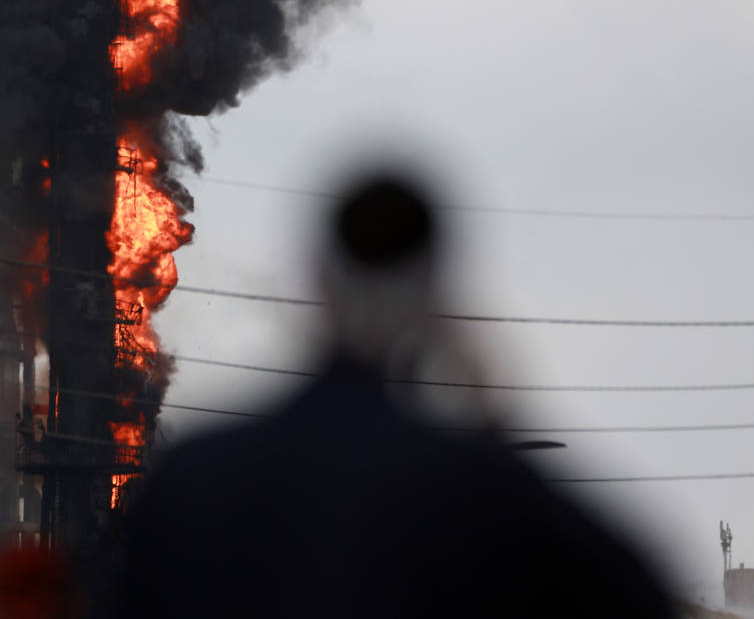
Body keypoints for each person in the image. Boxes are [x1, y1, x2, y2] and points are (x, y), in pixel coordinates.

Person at [115, 172, 676, 618]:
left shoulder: (193, 478)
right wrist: (493, 423)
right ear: (436, 294)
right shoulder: (484, 496)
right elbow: (636, 594)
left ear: (318, 281)